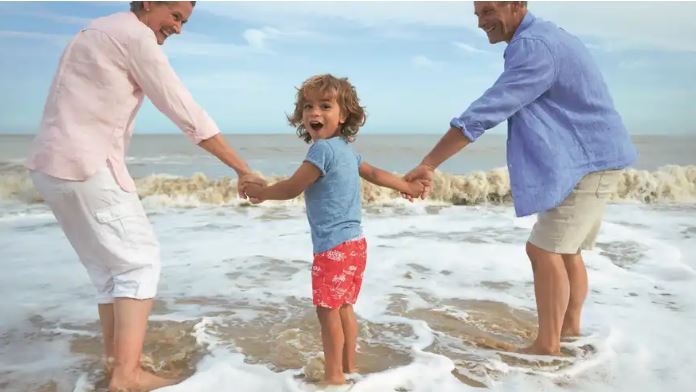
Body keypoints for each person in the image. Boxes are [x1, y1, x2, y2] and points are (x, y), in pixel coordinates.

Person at [25, 2, 263, 390]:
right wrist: (242, 168)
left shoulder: (93, 30)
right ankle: (127, 375)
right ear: (149, 1)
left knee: (109, 272)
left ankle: (115, 365)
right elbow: (186, 110)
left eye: (184, 22)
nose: (178, 29)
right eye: (175, 16)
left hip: (51, 167)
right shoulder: (135, 36)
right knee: (139, 265)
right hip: (87, 166)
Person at [405, 1, 637, 355]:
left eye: (489, 11)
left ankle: (548, 345)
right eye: (478, 14)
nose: (482, 22)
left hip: (587, 160)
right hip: (590, 158)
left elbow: (487, 110)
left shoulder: (533, 46)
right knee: (566, 250)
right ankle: (568, 331)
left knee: (543, 250)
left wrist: (429, 163)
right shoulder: (548, 36)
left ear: (517, 6)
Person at [242, 74, 427, 385]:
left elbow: (293, 187)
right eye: (308, 107)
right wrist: (405, 185)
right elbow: (376, 173)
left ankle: (334, 377)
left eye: (325, 106)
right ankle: (348, 367)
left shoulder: (322, 151)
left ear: (343, 116)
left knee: (327, 311)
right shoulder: (346, 150)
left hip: (332, 248)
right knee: (344, 309)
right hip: (355, 244)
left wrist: (262, 193)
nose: (315, 113)